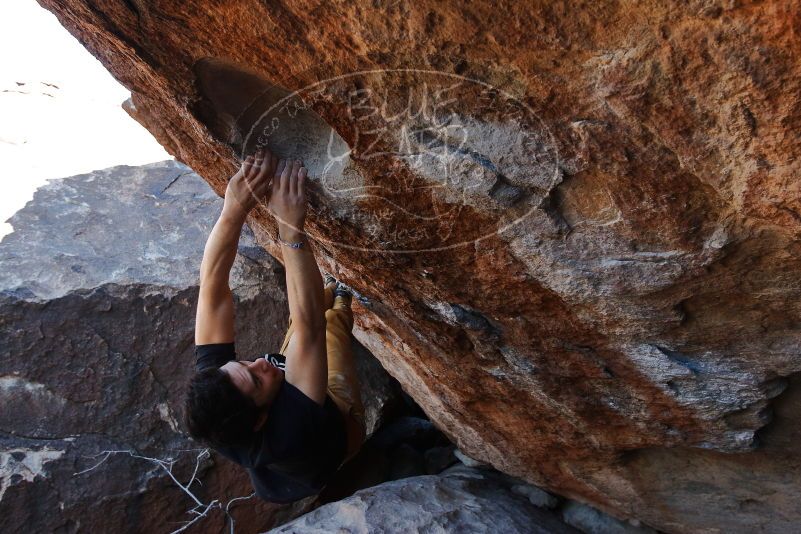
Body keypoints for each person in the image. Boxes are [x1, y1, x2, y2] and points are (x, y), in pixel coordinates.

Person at [182, 147, 366, 503]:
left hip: (284, 459)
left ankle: (329, 289)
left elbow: (212, 291)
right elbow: (310, 327)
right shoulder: (289, 429)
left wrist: (234, 207)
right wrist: (290, 226)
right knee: (329, 325)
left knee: (301, 325)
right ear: (260, 421)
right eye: (256, 380)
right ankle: (345, 294)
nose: (259, 363)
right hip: (336, 431)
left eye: (243, 364)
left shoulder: (219, 396)